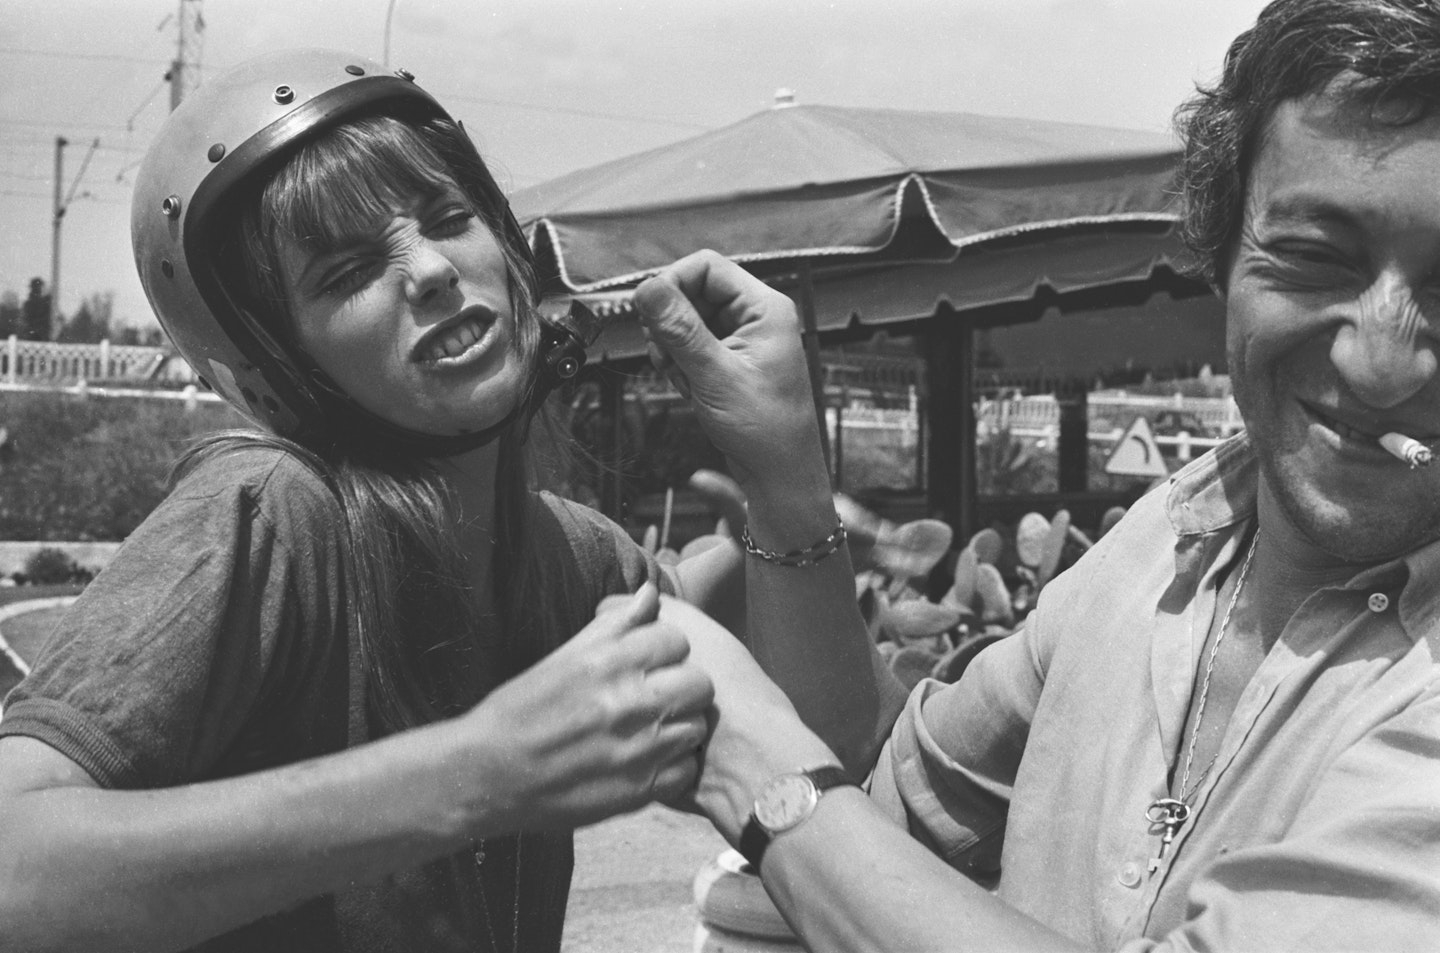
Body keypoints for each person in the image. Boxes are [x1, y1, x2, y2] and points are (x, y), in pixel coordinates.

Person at [0, 49, 883, 953]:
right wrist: (474, 772)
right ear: (270, 370)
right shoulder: (268, 515)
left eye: (448, 217)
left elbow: (817, 760)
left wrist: (786, 472)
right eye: (345, 273)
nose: (426, 269)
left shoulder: (569, 556)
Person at [633, 1, 1440, 950]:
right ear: (1221, 261)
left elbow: (820, 807)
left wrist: (762, 779)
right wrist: (787, 476)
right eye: (1313, 258)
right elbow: (887, 798)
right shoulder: (1167, 537)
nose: (1383, 364)